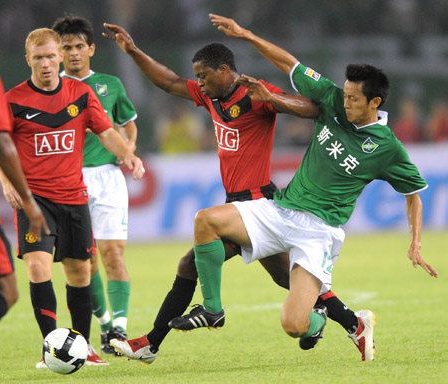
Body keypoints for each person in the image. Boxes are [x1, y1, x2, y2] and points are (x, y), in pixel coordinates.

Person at [167, 14, 438, 358]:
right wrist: (245, 34)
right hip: (281, 209)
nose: (345, 101)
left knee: (294, 324)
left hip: (319, 231)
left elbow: (413, 194)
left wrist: (415, 243)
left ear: (375, 104)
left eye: (355, 99)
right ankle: (212, 309)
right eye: (347, 93)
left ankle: (349, 324)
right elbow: (290, 64)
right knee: (206, 220)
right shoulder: (332, 98)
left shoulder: (387, 148)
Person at [102, 23, 375, 363]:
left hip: (259, 202)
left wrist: (272, 97)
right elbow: (169, 81)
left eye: (203, 75)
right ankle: (347, 322)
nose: (199, 82)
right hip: (241, 203)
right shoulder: (211, 97)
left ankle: (157, 340)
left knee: (190, 263)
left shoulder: (254, 95)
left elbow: (312, 109)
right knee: (284, 277)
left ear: (225, 70)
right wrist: (133, 51)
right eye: (197, 77)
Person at [0, 28, 144, 368]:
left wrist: (128, 155)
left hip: (73, 196)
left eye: (51, 56)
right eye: (38, 58)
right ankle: (49, 348)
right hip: (35, 201)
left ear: (60, 57)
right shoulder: (13, 100)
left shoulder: (79, 92)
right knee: (37, 266)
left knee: (79, 272)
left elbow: (105, 130)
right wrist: (6, 181)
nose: (46, 64)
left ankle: (83, 347)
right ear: (28, 60)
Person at [52, 15, 139, 355]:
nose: (73, 53)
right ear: (58, 53)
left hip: (106, 177)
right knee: (83, 262)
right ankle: (103, 323)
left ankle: (119, 327)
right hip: (68, 180)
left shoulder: (110, 84)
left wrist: (128, 150)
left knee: (113, 254)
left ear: (90, 48)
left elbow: (129, 125)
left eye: (78, 46)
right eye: (66, 48)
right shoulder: (50, 89)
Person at [0, 73, 49, 323]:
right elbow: (2, 141)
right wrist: (26, 197)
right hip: (33, 194)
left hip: (67, 195)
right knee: (7, 290)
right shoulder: (9, 97)